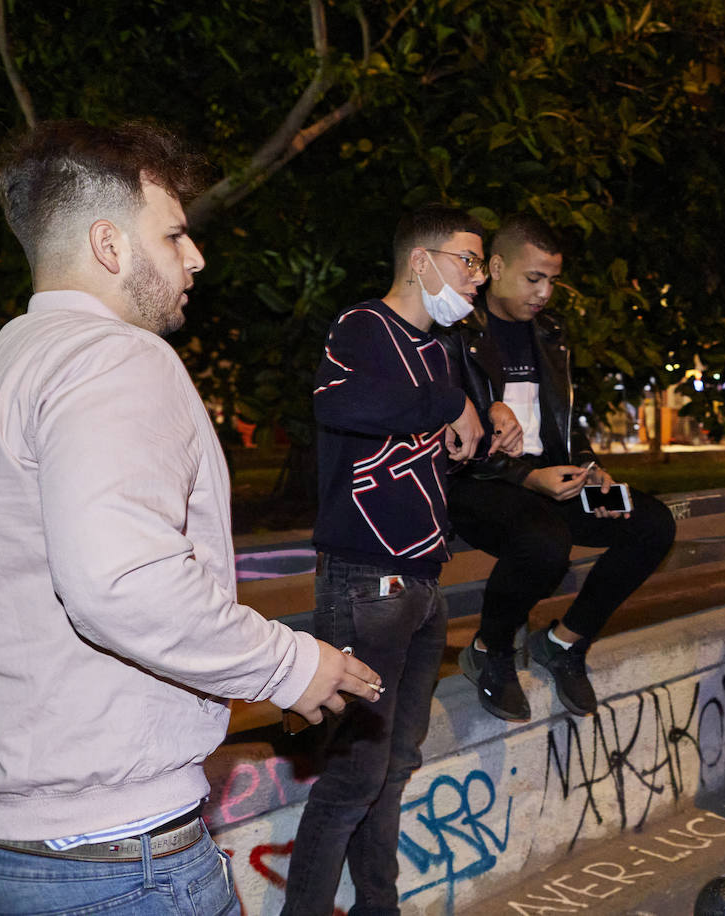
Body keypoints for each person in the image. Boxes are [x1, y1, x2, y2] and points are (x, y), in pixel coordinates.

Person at [0, 120, 381, 915]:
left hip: (9, 844)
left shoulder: (8, 362)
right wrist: (293, 667)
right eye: (174, 233)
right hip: (119, 863)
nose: (195, 258)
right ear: (109, 245)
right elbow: (121, 583)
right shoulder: (117, 357)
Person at [280, 204, 487, 915]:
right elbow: (343, 406)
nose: (478, 277)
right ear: (421, 261)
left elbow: (421, 455)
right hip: (365, 577)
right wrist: (451, 401)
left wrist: (477, 435)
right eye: (468, 260)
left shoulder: (443, 352)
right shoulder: (363, 327)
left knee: (393, 770)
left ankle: (380, 907)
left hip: (423, 583)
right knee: (351, 779)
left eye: (482, 264)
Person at [445, 213, 676, 722]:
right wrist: (526, 478)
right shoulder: (455, 333)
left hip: (550, 481)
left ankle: (565, 641)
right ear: (497, 266)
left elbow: (560, 421)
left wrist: (589, 469)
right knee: (545, 541)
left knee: (652, 521)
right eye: (534, 278)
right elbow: (446, 444)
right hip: (476, 483)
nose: (545, 292)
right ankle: (491, 648)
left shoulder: (551, 333)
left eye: (552, 280)